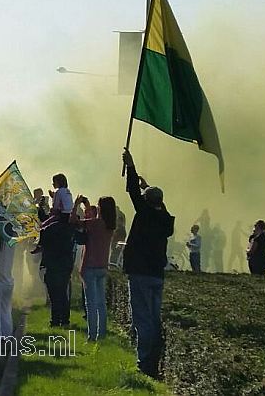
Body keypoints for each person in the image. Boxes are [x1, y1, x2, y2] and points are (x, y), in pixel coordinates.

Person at [121, 149, 174, 378]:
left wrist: (131, 167)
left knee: (142, 318)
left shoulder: (144, 213)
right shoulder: (164, 219)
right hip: (156, 274)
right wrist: (147, 187)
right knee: (153, 317)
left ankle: (145, 362)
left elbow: (133, 192)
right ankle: (153, 356)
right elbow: (155, 203)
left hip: (140, 273)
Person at [70, 195, 116, 341]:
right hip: (103, 266)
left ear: (100, 208)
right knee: (101, 303)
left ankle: (92, 336)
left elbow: (73, 222)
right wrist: (88, 206)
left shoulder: (94, 224)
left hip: (89, 266)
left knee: (91, 303)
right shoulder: (110, 226)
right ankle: (102, 334)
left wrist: (76, 205)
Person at [32, 198, 75, 328]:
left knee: (54, 293)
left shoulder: (49, 228)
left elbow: (41, 242)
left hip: (52, 264)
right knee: (62, 292)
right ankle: (65, 320)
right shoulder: (71, 228)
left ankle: (55, 320)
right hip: (66, 264)